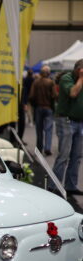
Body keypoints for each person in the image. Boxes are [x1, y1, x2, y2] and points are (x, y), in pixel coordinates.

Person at [49, 59, 83, 195]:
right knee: (64, 155)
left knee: (77, 156)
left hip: (80, 122)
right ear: (79, 70)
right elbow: (73, 93)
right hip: (66, 120)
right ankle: (54, 186)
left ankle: (70, 186)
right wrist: (81, 78)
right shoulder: (66, 78)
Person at [28, 65, 56, 155]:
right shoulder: (51, 82)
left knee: (39, 129)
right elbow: (54, 95)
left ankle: (39, 148)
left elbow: (31, 96)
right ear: (48, 73)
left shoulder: (36, 82)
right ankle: (47, 148)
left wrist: (34, 105)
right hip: (48, 108)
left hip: (39, 108)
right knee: (48, 129)